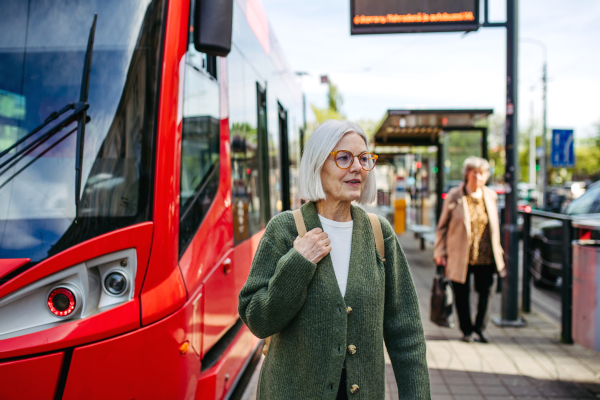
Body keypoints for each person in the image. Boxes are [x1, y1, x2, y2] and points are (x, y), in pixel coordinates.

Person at [239, 120, 430, 399]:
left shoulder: (379, 233)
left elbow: (407, 333)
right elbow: (257, 319)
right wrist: (298, 263)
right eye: (343, 158)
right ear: (318, 164)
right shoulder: (284, 229)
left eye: (364, 159)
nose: (357, 167)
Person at [433, 156, 506, 343]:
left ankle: (480, 328)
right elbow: (442, 227)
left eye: (483, 173)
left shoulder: (490, 195)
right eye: (475, 172)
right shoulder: (455, 196)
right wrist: (440, 252)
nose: (479, 177)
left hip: (486, 255)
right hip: (460, 255)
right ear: (467, 174)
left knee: (486, 293)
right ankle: (466, 330)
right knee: (461, 294)